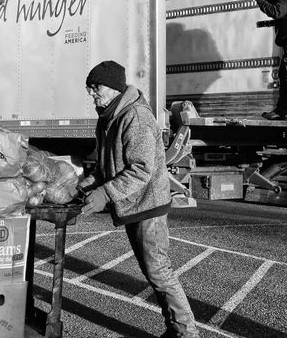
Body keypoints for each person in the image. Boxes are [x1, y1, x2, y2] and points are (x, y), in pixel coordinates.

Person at [78, 61, 199, 338]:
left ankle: (186, 333)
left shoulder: (136, 117)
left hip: (149, 205)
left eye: (96, 87)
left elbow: (141, 169)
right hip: (133, 203)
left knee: (159, 271)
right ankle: (176, 329)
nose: (92, 93)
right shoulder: (107, 117)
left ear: (113, 87)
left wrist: (105, 193)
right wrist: (86, 185)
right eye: (89, 88)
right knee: (153, 272)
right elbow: (107, 166)